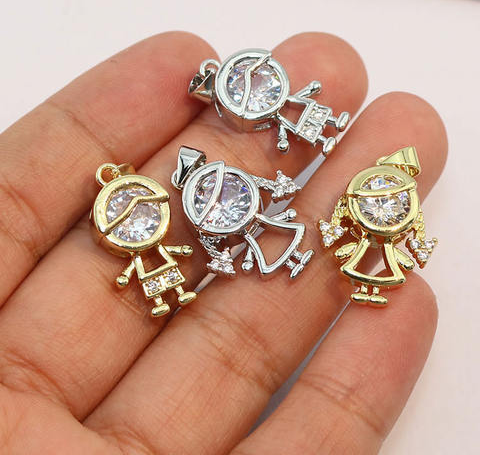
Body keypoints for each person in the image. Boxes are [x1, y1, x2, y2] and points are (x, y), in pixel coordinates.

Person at [0, 31, 447, 454]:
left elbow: (246, 186)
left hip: (244, 209)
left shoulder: (213, 177)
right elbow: (211, 217)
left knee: (277, 231)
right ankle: (226, 275)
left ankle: (301, 222)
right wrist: (216, 244)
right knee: (256, 242)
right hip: (231, 219)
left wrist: (267, 192)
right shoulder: (193, 191)